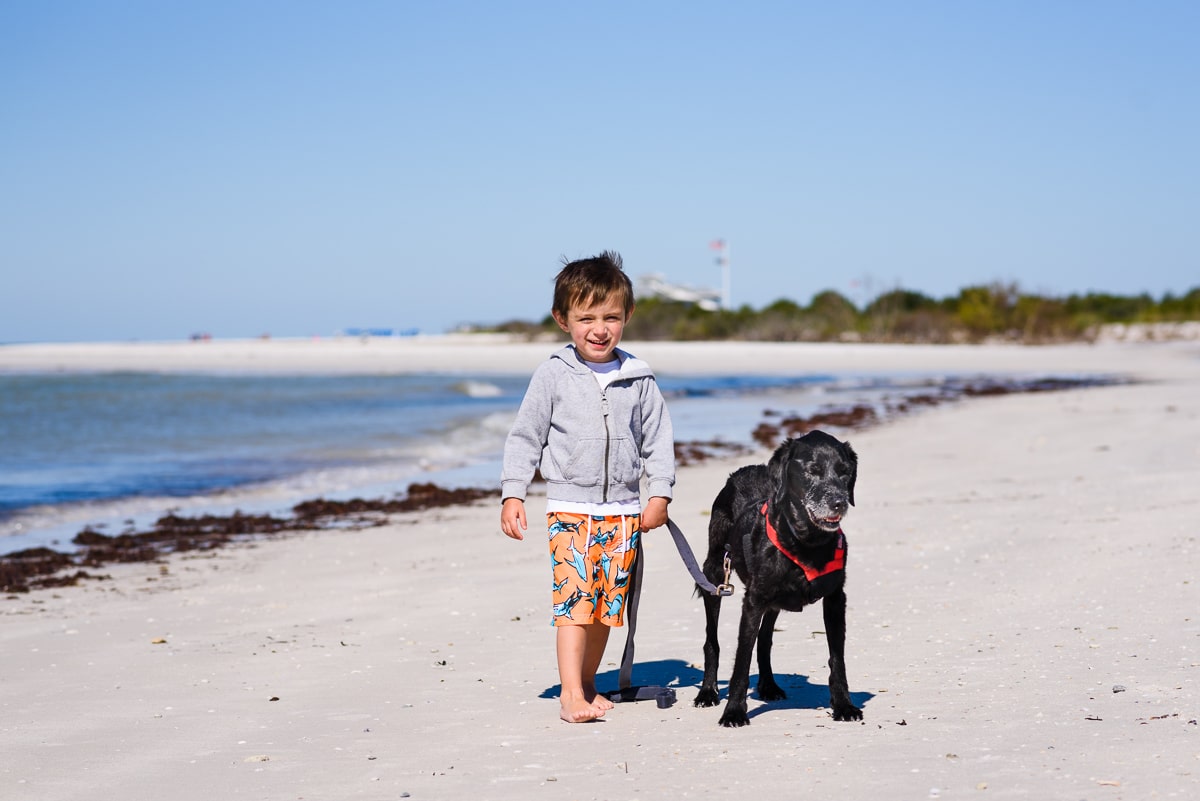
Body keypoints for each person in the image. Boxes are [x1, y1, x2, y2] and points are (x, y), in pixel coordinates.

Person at [500, 251, 675, 723]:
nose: (599, 329)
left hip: (622, 511)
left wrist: (659, 494)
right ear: (563, 320)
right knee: (575, 607)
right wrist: (513, 492)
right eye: (587, 318)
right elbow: (526, 436)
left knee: (604, 610)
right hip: (570, 510)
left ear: (627, 316)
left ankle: (589, 683)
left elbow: (658, 440)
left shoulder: (638, 378)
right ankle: (569, 694)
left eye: (611, 317)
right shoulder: (553, 375)